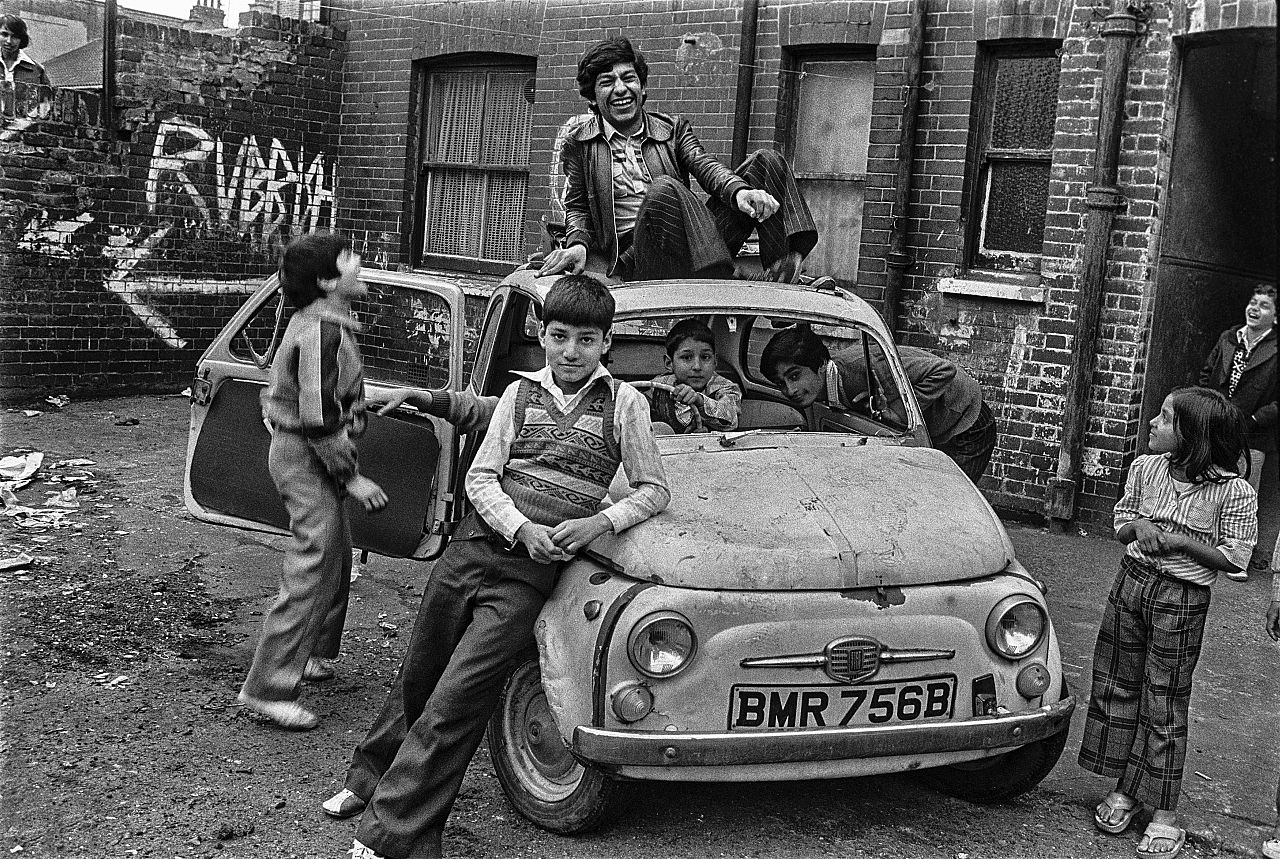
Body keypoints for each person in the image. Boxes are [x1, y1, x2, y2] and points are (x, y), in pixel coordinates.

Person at [334, 274, 670, 859]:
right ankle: (366, 780)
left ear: (607, 342)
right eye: (560, 336)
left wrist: (598, 523)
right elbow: (481, 477)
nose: (571, 352)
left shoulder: (626, 405)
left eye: (586, 340)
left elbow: (652, 489)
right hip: (473, 548)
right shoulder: (518, 396)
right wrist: (522, 527)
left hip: (528, 579)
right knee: (421, 670)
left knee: (459, 698)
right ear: (543, 334)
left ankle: (394, 832)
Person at [1080, 387, 1257, 859]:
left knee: (1165, 700)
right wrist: (1137, 529)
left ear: (1194, 436)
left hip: (1181, 598)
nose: (1153, 424)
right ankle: (1125, 789)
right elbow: (1122, 520)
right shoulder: (1145, 469)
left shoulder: (1233, 491)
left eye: (1165, 418)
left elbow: (1233, 557)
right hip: (1131, 583)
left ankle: (1164, 815)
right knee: (1118, 684)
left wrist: (1179, 542)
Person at [236, 233, 388, 731]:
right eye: (349, 259)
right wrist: (353, 478)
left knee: (336, 552)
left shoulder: (329, 324)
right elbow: (319, 418)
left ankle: (315, 652)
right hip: (307, 453)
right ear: (327, 282)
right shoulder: (319, 330)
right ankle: (267, 688)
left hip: (313, 447)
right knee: (314, 557)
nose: (359, 261)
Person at [538, 36, 817, 283]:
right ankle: (726, 275)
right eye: (607, 82)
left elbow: (705, 166)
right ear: (593, 96)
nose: (621, 89)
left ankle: (782, 275)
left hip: (697, 243)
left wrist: (740, 191)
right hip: (641, 257)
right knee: (663, 189)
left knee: (766, 162)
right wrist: (578, 245)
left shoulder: (672, 129)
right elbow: (577, 207)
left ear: (643, 87)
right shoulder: (580, 142)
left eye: (629, 78)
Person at [759, 325, 997, 483]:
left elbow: (944, 370)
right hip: (935, 427)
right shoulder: (821, 388)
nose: (790, 391)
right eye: (781, 383)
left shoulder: (863, 367)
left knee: (950, 503)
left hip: (967, 422)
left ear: (820, 365)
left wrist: (897, 412)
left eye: (794, 376)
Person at [1198, 282, 1277, 579]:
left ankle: (1238, 558)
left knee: (1245, 493)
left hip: (1253, 434)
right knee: (1207, 482)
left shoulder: (1276, 349)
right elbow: (1208, 372)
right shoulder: (1229, 338)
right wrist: (1208, 408)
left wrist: (1255, 419)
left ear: (1276, 317)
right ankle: (1203, 547)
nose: (1255, 309)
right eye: (1253, 302)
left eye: (1264, 305)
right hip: (1218, 427)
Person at [644, 317, 741, 433]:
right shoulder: (658, 387)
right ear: (669, 363)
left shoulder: (726, 388)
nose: (697, 366)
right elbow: (636, 408)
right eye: (687, 357)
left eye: (705, 357)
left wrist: (699, 401)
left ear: (715, 362)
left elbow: (731, 419)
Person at [0, 15, 49, 87]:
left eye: (15, 36)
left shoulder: (37, 70)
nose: (9, 41)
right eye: (5, 34)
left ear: (22, 39)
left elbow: (47, 96)